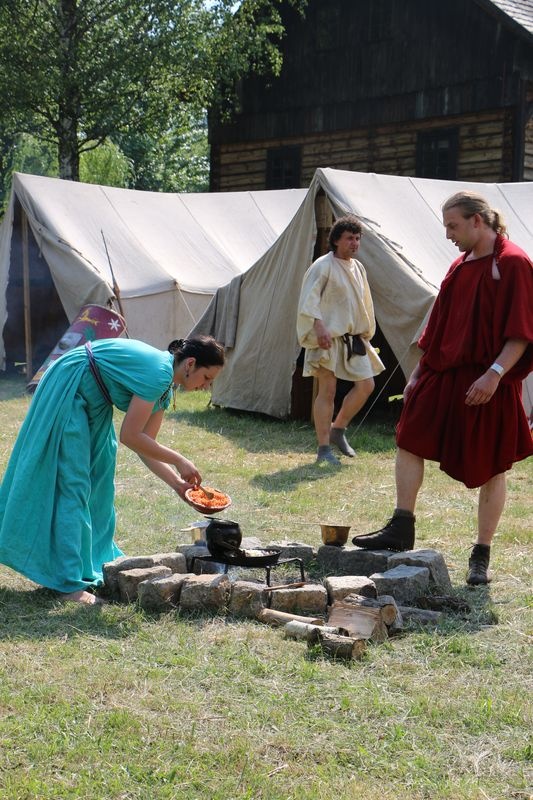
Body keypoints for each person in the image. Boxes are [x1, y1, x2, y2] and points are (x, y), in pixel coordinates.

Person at [352, 191, 533, 585]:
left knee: (493, 464)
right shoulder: (458, 266)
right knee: (409, 437)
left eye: (453, 225)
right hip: (444, 372)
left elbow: (521, 333)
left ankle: (481, 555)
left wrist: (495, 373)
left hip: (489, 379)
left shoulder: (514, 263)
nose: (448, 234)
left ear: (478, 222)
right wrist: (418, 373)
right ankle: (402, 526)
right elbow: (438, 325)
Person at [0, 335, 225, 605]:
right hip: (72, 385)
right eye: (207, 377)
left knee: (100, 482)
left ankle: (95, 565)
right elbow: (129, 435)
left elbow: (145, 445)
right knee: (74, 485)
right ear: (190, 363)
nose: (206, 386)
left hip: (94, 399)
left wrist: (178, 484)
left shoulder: (165, 388)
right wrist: (179, 459)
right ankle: (69, 584)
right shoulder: (159, 372)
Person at [297, 214, 385, 464]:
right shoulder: (322, 266)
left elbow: (364, 301)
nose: (355, 243)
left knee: (366, 385)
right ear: (336, 240)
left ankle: (339, 428)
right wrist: (319, 327)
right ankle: (323, 447)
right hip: (327, 337)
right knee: (328, 389)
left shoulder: (358, 268)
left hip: (352, 338)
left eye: (357, 238)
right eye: (349, 238)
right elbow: (309, 299)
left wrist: (365, 330)